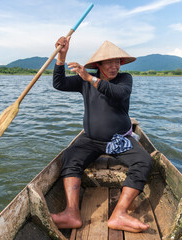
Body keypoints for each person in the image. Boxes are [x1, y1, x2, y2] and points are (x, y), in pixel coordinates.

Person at [51, 36, 152, 233]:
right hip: (90, 139)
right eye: (110, 62)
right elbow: (59, 84)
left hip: (120, 139)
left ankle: (120, 214)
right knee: (69, 157)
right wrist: (61, 57)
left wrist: (90, 78)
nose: (115, 67)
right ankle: (71, 213)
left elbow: (118, 94)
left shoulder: (125, 79)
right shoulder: (84, 80)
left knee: (144, 161)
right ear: (99, 65)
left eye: (118, 62)